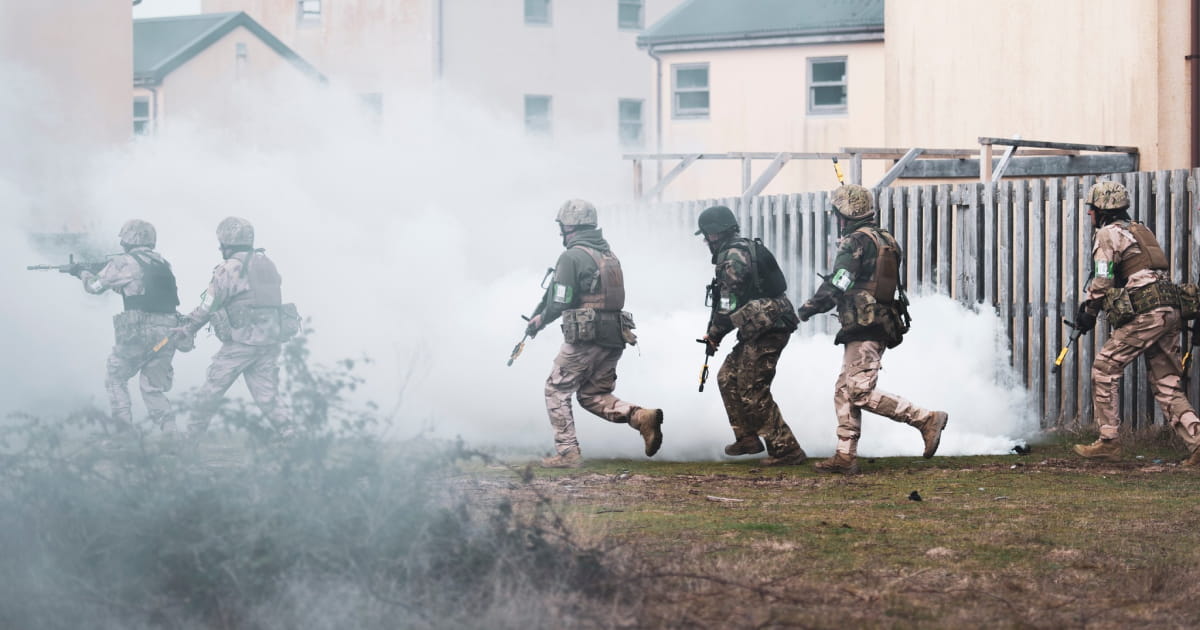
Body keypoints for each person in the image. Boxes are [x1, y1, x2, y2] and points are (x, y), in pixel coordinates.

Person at [796, 185, 947, 474]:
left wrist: (810, 307)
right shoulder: (884, 238)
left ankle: (925, 419)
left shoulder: (855, 242)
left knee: (860, 392)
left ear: (844, 214)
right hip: (879, 320)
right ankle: (844, 455)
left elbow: (840, 281)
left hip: (865, 323)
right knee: (844, 389)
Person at [524, 199, 663, 468]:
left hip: (587, 336)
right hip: (614, 335)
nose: (561, 232)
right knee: (591, 394)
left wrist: (540, 319)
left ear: (570, 226)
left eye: (562, 227)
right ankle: (640, 417)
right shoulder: (608, 254)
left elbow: (561, 300)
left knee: (556, 388)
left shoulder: (571, 256)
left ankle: (567, 453)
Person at [1071, 181, 1200, 466]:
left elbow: (1103, 278)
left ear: (1101, 210)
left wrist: (1089, 312)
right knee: (1167, 382)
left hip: (1147, 313)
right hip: (1170, 308)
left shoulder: (1107, 234)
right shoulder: (1140, 230)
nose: (1089, 214)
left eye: (1091, 209)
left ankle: (1108, 441)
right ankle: (1198, 442)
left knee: (1105, 367)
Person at [697, 205, 807, 466]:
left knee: (752, 388)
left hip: (769, 326)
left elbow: (727, 302)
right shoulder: (740, 248)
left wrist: (715, 334)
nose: (704, 241)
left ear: (713, 234)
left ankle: (787, 450)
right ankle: (747, 437)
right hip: (759, 326)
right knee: (728, 377)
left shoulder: (733, 256)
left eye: (705, 236)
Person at [172, 217, 300, 438]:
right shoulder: (266, 264)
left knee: (211, 389)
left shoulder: (229, 268)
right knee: (267, 393)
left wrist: (188, 328)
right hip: (270, 339)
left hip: (242, 341)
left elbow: (209, 304)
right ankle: (289, 433)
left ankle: (189, 440)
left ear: (227, 242)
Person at [74, 219, 185, 436]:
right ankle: (171, 434)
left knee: (116, 377)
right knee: (152, 387)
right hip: (167, 335)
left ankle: (124, 434)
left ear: (129, 239)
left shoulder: (123, 262)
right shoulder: (163, 263)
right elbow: (139, 290)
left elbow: (95, 287)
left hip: (140, 333)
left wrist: (82, 273)